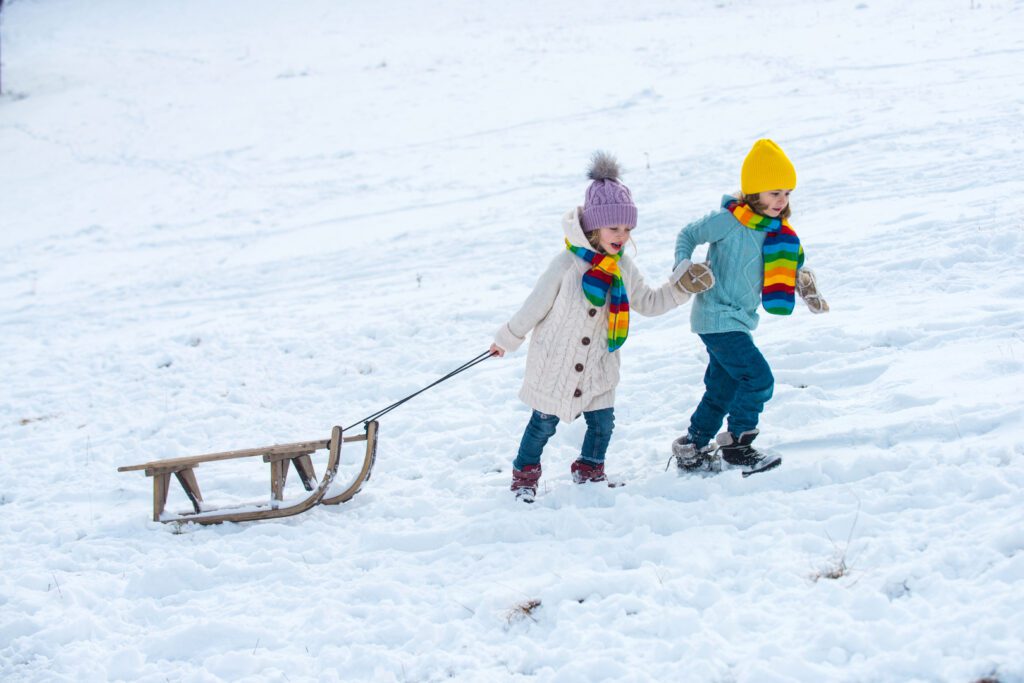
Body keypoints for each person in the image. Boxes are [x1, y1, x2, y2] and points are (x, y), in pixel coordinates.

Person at [491, 152, 714, 502]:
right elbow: (534, 306)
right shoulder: (567, 264)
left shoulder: (623, 266)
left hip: (598, 365)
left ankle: (590, 469)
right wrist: (508, 338)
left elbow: (650, 302)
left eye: (627, 229)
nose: (622, 236)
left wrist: (682, 286)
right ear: (593, 227)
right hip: (555, 364)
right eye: (614, 228)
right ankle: (524, 475)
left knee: (602, 424)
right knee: (542, 425)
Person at [671, 139, 829, 475]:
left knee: (724, 386)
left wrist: (803, 283)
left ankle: (693, 445)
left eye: (786, 193)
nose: (781, 200)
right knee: (758, 379)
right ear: (754, 192)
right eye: (774, 193)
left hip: (738, 320)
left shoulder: (779, 233)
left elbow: (789, 265)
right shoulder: (728, 221)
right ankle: (738, 446)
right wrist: (683, 267)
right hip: (716, 316)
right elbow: (688, 234)